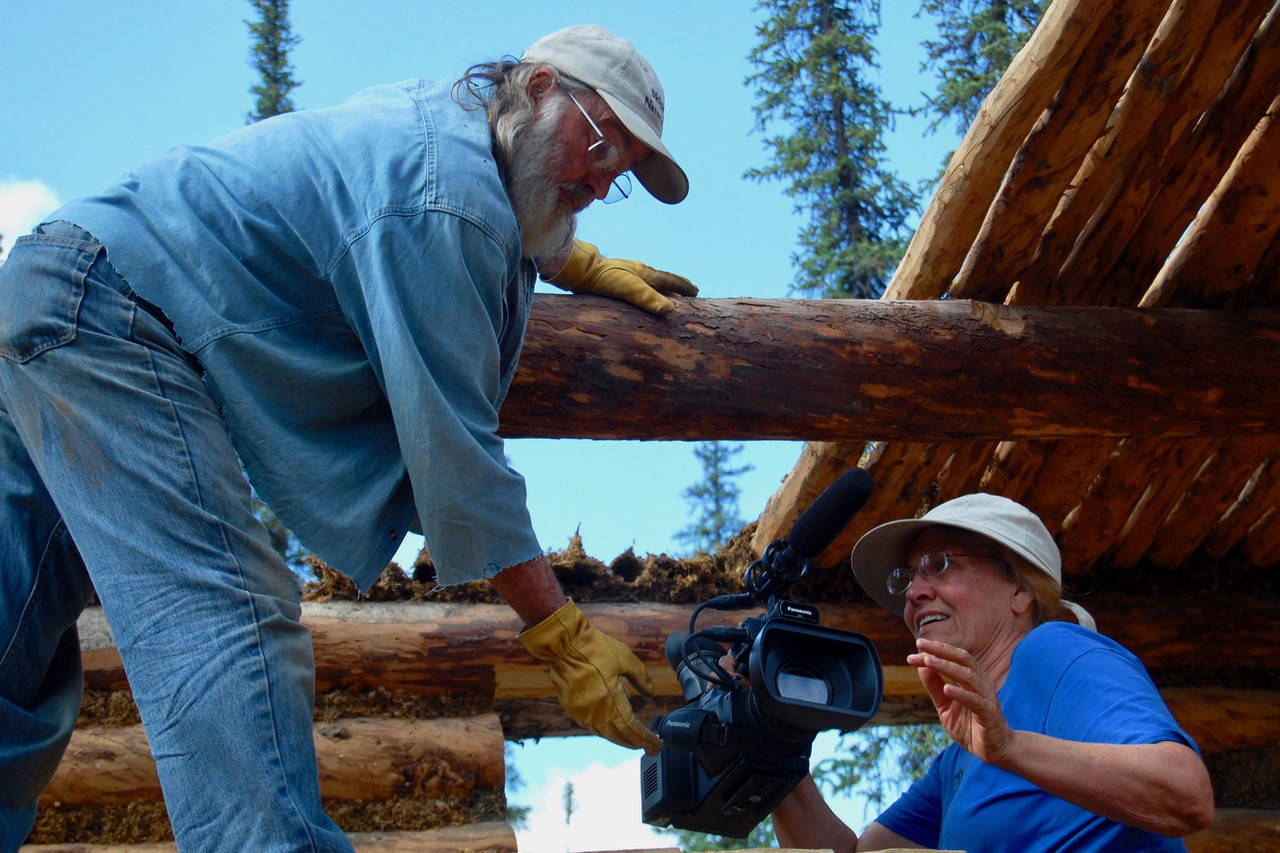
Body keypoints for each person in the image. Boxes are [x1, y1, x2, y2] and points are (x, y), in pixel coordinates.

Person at [0, 24, 696, 851]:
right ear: (541, 86)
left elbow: (441, 197)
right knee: (230, 617)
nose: (605, 170)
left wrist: (562, 258)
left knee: (15, 646)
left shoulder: (457, 121)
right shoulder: (448, 198)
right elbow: (456, 456)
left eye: (621, 167)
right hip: (112, 315)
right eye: (600, 137)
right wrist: (562, 633)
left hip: (56, 287)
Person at [771, 493, 1215, 852]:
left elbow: (1186, 794)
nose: (915, 593)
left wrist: (1009, 746)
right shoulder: (959, 760)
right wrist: (773, 746)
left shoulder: (1050, 649)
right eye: (907, 578)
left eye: (940, 565)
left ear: (1019, 589)